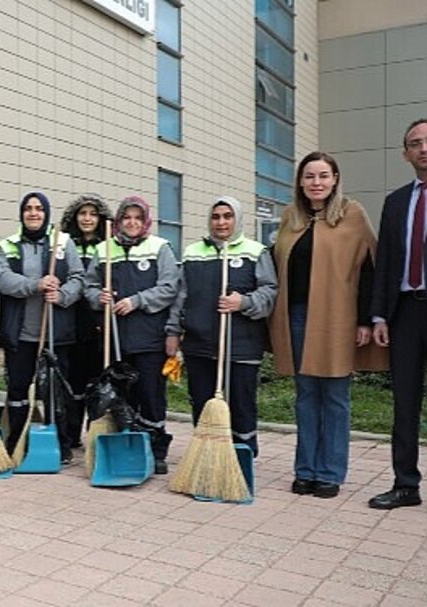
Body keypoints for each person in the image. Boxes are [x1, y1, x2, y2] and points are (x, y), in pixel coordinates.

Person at [268, 151, 386, 499]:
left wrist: (366, 319)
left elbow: (369, 268)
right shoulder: (291, 218)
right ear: (300, 182)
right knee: (306, 396)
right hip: (298, 316)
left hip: (338, 318)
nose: (316, 183)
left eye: (323, 176)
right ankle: (305, 470)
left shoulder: (352, 215)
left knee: (335, 396)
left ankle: (330, 472)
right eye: (309, 177)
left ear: (335, 179)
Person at [165, 196, 277, 457]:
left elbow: (271, 292)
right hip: (199, 345)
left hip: (242, 346)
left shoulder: (255, 251)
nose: (221, 222)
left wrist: (244, 302)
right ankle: (207, 459)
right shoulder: (194, 253)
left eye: (228, 216)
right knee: (203, 406)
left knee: (241, 405)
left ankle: (242, 459)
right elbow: (181, 296)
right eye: (216, 217)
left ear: (237, 219)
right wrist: (173, 331)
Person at [84, 196, 179, 474]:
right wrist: (96, 297)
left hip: (149, 339)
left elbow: (170, 287)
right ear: (118, 221)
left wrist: (137, 301)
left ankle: (156, 450)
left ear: (145, 220)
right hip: (114, 341)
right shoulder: (104, 249)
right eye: (127, 217)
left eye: (138, 218)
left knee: (151, 396)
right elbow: (89, 287)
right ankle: (125, 447)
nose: (132, 223)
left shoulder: (159, 247)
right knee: (121, 397)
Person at [0, 192, 84, 464]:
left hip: (55, 334)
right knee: (19, 391)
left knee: (54, 392)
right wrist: (35, 284)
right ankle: (17, 440)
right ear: (21, 214)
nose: (33, 213)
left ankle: (61, 443)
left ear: (46, 213)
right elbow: (2, 278)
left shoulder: (62, 243)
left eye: (39, 209)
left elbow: (80, 278)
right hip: (20, 334)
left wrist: (62, 295)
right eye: (28, 209)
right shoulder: (7, 245)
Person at [368, 118, 427, 510]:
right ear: (405, 153)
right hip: (405, 313)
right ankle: (406, 484)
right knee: (404, 403)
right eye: (415, 143)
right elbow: (386, 262)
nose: (423, 148)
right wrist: (378, 317)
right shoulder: (395, 201)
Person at [60, 194, 111, 447]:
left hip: (99, 323)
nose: (87, 218)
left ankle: (96, 433)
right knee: (73, 383)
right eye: (83, 213)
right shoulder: (64, 244)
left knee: (97, 382)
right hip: (70, 322)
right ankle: (70, 434)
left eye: (93, 214)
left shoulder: (108, 246)